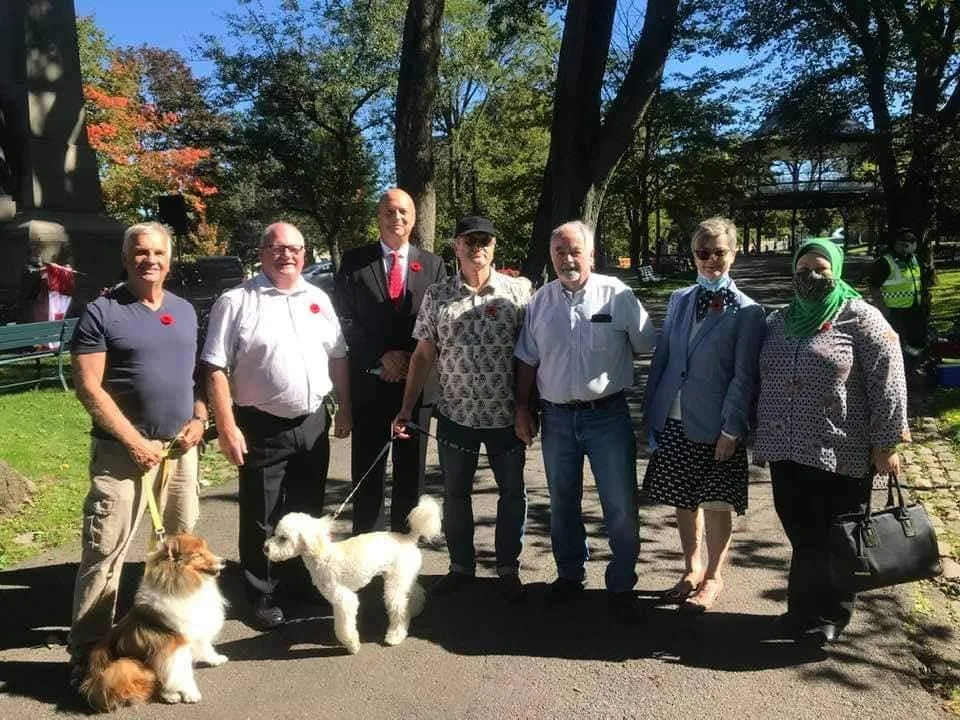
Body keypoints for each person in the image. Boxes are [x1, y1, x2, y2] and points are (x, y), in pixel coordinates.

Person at [67, 222, 207, 685]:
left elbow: (196, 380)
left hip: (179, 453)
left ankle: (172, 644)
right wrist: (132, 440)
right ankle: (87, 655)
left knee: (181, 554)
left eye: (158, 253)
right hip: (121, 455)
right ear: (126, 258)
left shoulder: (185, 311)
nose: (150, 260)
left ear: (170, 259)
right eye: (140, 252)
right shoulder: (102, 312)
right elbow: (88, 386)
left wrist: (201, 420)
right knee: (104, 553)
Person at [755, 237, 910, 645]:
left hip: (840, 449)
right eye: (803, 268)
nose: (811, 276)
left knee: (839, 536)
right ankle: (800, 609)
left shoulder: (862, 318)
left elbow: (888, 382)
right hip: (785, 449)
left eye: (821, 268)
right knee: (802, 535)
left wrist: (887, 443)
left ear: (836, 271)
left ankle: (832, 615)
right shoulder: (778, 321)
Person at [202, 222, 351, 630]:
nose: (287, 255)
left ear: (305, 254)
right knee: (262, 514)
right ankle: (261, 590)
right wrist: (227, 426)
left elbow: (338, 356)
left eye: (295, 248)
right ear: (262, 251)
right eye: (277, 247)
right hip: (260, 425)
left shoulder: (318, 299)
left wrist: (347, 409)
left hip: (313, 421)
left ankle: (302, 582)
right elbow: (213, 368)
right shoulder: (236, 301)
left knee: (307, 510)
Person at [514, 220, 657, 621]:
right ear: (551, 256)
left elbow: (648, 346)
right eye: (559, 251)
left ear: (592, 255)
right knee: (562, 503)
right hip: (556, 418)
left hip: (607, 416)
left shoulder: (618, 295)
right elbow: (527, 359)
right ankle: (569, 574)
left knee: (621, 503)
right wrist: (521, 407)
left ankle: (622, 581)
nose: (567, 258)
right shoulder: (540, 302)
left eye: (575, 250)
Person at [392, 216, 531, 601]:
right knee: (455, 494)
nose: (477, 248)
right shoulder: (438, 295)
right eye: (469, 241)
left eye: (485, 240)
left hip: (506, 415)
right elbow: (422, 355)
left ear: (494, 245)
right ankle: (461, 566)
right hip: (455, 415)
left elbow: (531, 356)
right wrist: (406, 407)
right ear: (455, 247)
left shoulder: (518, 292)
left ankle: (507, 567)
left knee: (513, 493)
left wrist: (526, 407)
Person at [641, 217, 766, 613]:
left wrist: (733, 428)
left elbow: (745, 376)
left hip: (717, 424)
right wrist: (653, 412)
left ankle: (713, 575)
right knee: (683, 498)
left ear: (734, 254)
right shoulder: (680, 299)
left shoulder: (748, 312)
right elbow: (664, 358)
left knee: (716, 502)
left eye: (720, 252)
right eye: (703, 252)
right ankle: (690, 569)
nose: (712, 260)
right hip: (675, 416)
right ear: (693, 255)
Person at [334, 188, 446, 534]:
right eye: (388, 212)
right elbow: (344, 318)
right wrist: (381, 355)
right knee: (368, 471)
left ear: (413, 218)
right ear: (378, 217)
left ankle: (403, 551)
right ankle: (365, 551)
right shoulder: (354, 263)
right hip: (370, 381)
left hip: (416, 387)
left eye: (403, 212)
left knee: (411, 474)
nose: (396, 218)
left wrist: (409, 359)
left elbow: (440, 319)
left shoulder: (433, 264)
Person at [867, 228, 925, 372]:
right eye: (905, 242)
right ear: (896, 243)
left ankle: (912, 369)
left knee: (915, 343)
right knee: (894, 344)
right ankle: (894, 372)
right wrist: (884, 310)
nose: (909, 245)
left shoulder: (913, 259)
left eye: (912, 241)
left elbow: (917, 282)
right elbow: (874, 287)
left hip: (914, 309)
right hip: (894, 312)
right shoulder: (885, 262)